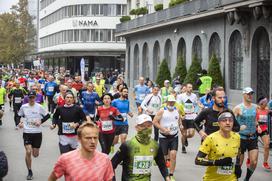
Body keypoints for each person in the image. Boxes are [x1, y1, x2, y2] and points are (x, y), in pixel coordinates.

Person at [111, 114, 170, 181]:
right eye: (142, 126)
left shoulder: (155, 146)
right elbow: (111, 165)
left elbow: (162, 165)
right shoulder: (128, 145)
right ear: (136, 127)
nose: (146, 128)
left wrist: (167, 177)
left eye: (148, 126)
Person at [48, 122, 114, 181]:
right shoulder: (66, 159)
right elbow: (52, 178)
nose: (93, 142)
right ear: (79, 139)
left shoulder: (105, 159)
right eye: (88, 138)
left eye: (95, 138)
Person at [195, 110, 241, 181]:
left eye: (230, 120)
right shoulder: (211, 139)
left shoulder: (237, 137)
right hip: (212, 179)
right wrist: (216, 162)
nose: (228, 123)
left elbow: (237, 153)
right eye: (224, 120)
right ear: (218, 123)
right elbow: (198, 160)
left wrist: (237, 166)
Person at [17, 91, 50, 180]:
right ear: (28, 98)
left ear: (35, 98)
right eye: (30, 97)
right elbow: (18, 115)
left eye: (33, 97)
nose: (31, 99)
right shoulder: (24, 107)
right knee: (28, 151)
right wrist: (19, 123)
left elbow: (47, 116)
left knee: (35, 154)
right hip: (27, 132)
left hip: (37, 133)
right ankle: (29, 171)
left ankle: (33, 148)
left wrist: (40, 121)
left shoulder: (39, 107)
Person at [153, 95, 182, 181]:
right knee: (164, 156)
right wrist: (163, 129)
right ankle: (165, 173)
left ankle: (171, 174)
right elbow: (154, 122)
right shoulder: (162, 111)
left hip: (174, 136)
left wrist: (181, 125)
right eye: (170, 102)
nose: (171, 103)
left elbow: (179, 121)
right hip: (164, 137)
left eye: (173, 102)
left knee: (173, 154)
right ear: (166, 102)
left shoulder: (177, 111)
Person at [233, 87, 258, 181]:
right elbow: (231, 123)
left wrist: (258, 125)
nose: (250, 95)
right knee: (239, 163)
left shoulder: (255, 107)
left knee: (254, 162)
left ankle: (246, 179)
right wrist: (238, 128)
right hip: (241, 138)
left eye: (251, 94)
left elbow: (255, 119)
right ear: (243, 95)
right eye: (248, 94)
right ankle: (235, 178)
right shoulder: (238, 108)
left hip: (253, 138)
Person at [177, 83, 199, 153]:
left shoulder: (194, 96)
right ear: (185, 88)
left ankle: (186, 138)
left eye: (191, 87)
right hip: (184, 117)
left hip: (191, 116)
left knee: (191, 134)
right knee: (184, 133)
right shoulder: (181, 96)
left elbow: (196, 105)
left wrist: (195, 112)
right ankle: (183, 147)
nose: (190, 88)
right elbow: (178, 107)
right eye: (189, 87)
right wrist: (180, 115)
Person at [256, 96, 271, 170]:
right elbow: (253, 119)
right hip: (255, 129)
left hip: (264, 129)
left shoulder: (267, 109)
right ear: (261, 103)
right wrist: (257, 126)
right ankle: (250, 158)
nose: (267, 103)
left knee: (267, 146)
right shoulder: (256, 109)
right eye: (266, 102)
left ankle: (265, 162)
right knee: (253, 147)